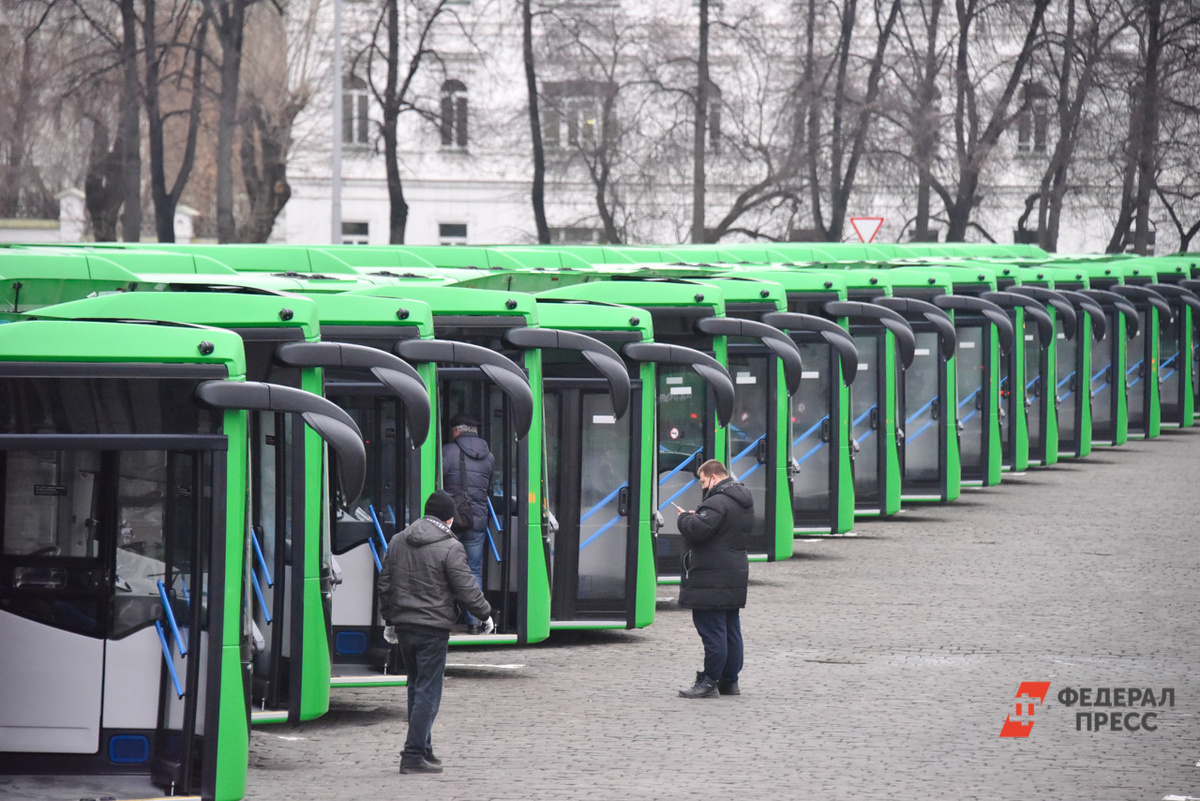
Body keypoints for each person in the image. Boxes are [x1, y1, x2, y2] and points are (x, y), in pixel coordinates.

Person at [378, 490, 493, 774]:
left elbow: (385, 585)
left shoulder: (397, 541)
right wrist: (485, 614)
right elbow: (465, 588)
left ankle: (424, 748)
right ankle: (413, 754)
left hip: (405, 626)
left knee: (415, 688)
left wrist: (389, 620)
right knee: (429, 691)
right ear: (450, 518)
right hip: (433, 628)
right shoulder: (451, 547)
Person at [674, 459, 752, 699]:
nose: (703, 486)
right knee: (730, 629)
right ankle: (730, 681)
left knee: (712, 630)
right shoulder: (743, 499)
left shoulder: (717, 502)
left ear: (714, 477)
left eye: (703, 481)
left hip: (711, 577)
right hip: (733, 573)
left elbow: (698, 531)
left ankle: (709, 681)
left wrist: (685, 518)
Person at [441, 413, 495, 633]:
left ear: (457, 431)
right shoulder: (489, 457)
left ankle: (445, 618)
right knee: (473, 571)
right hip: (477, 520)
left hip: (452, 520)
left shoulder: (448, 451)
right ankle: (474, 622)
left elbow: (440, 479)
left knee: (443, 568)